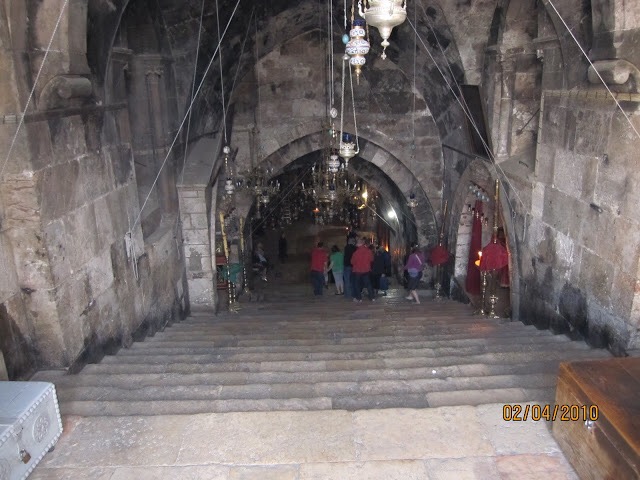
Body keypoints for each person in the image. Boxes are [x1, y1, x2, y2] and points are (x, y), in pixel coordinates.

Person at [351, 237, 374, 302]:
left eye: (356, 243)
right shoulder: (369, 251)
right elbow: (372, 259)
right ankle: (372, 297)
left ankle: (359, 298)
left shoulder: (355, 253)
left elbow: (352, 262)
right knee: (368, 284)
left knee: (357, 284)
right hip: (366, 270)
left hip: (357, 270)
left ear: (359, 244)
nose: (356, 245)